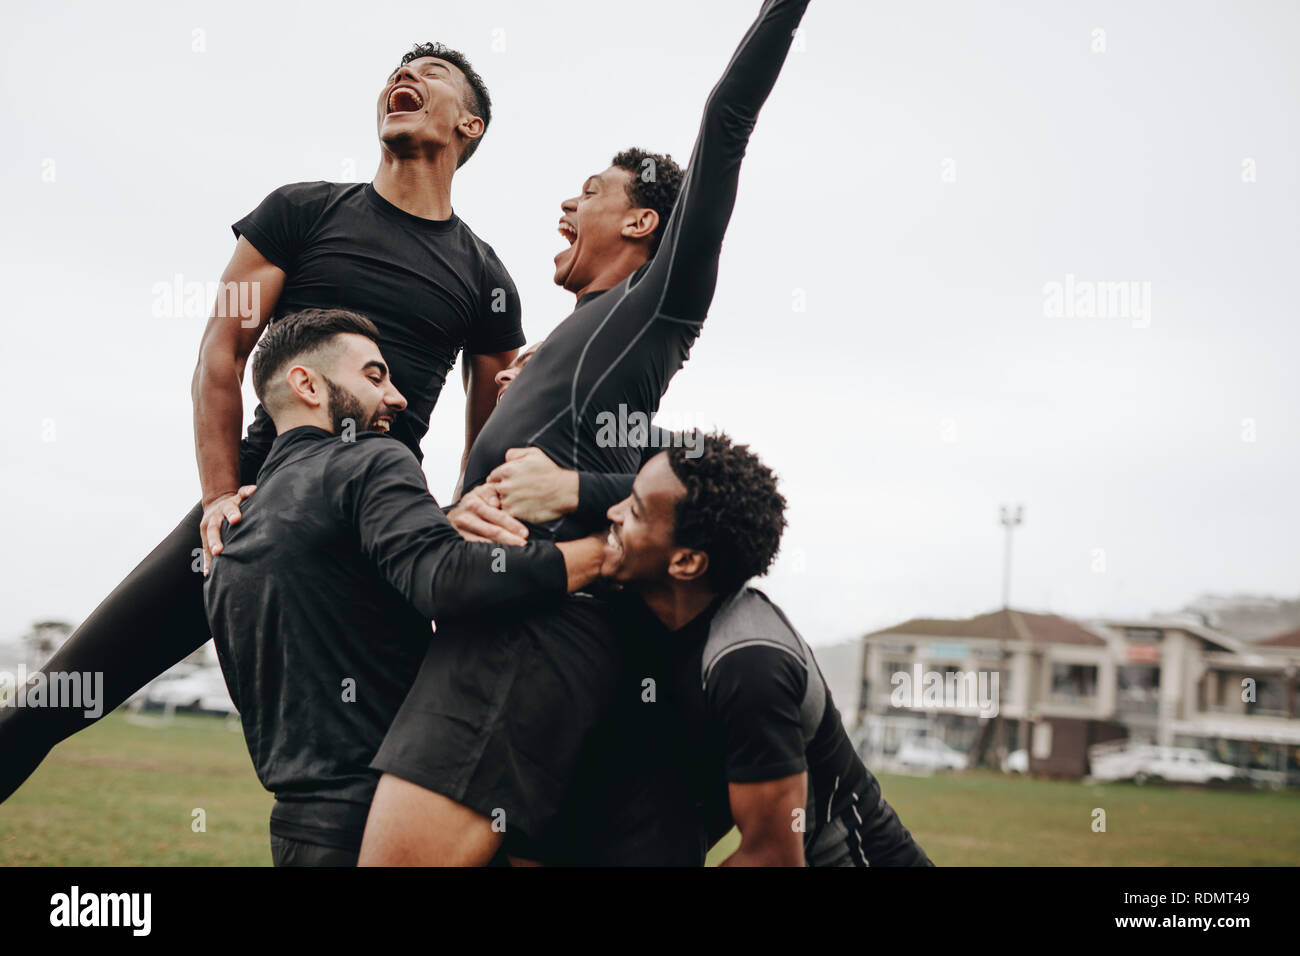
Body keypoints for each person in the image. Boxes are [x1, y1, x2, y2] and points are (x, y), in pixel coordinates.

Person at [0, 42, 521, 802]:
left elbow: (491, 434)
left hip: (377, 525)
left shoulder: (486, 279)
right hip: (253, 500)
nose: (403, 78)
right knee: (53, 701)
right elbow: (221, 354)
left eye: (431, 74)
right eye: (396, 72)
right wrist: (218, 497)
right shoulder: (299, 213)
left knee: (422, 771)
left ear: (469, 126)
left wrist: (446, 533)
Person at [359, 0, 813, 866]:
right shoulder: (573, 338)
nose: (567, 204)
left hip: (532, 639)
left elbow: (726, 123)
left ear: (644, 224)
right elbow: (642, 463)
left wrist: (570, 491)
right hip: (503, 623)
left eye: (592, 193)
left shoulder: (654, 311)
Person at [204, 309, 604, 866]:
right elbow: (444, 580)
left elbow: (345, 585)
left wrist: (440, 518)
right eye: (374, 377)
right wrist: (603, 555)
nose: (396, 398)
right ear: (307, 384)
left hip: (298, 833)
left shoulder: (234, 524)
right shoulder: (369, 459)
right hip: (396, 823)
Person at [600, 433, 934, 867]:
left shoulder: (748, 664)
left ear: (685, 562)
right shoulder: (668, 608)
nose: (612, 511)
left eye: (635, 510)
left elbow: (773, 858)